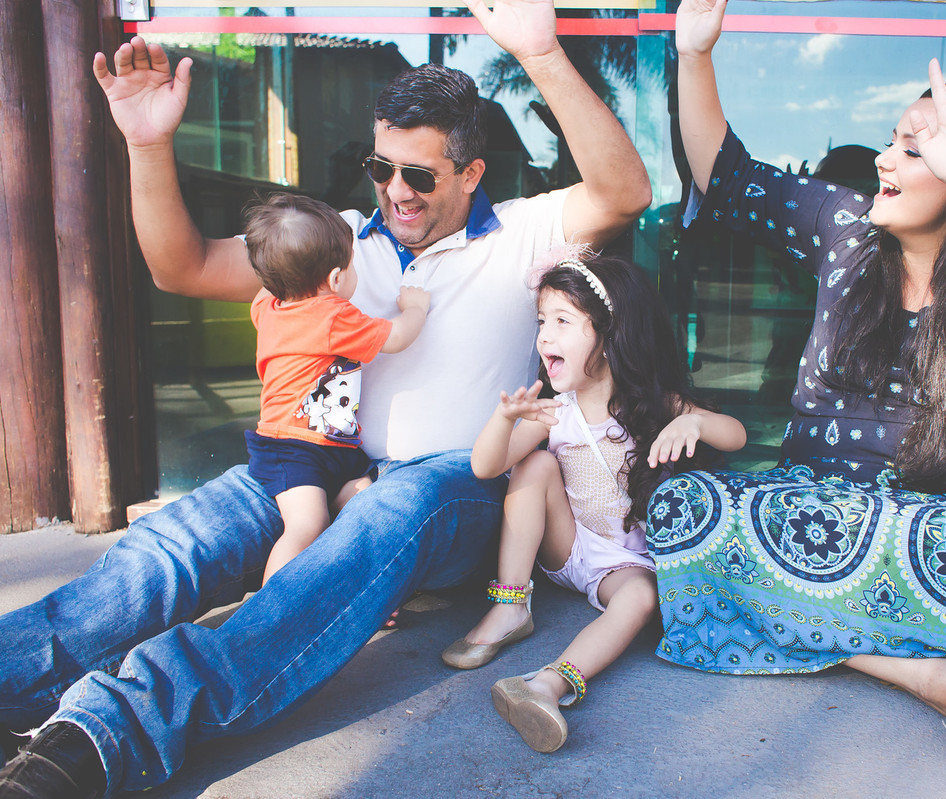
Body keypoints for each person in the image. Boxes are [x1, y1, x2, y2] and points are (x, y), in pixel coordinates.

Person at [0, 0, 651, 793]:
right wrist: (146, 144)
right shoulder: (336, 241)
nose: (396, 192)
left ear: (471, 173)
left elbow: (625, 191)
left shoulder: (522, 234)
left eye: (419, 175)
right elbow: (184, 266)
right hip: (323, 457)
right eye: (382, 169)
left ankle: (112, 729)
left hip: (457, 487)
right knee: (174, 545)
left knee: (390, 509)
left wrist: (542, 54)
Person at [646, 0, 946, 757]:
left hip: (935, 532)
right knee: (683, 509)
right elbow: (728, 179)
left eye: (914, 149)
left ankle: (802, 618)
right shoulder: (845, 228)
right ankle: (934, 672)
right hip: (809, 514)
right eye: (891, 140)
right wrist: (696, 55)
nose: (883, 159)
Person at [443, 255, 746, 752]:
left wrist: (695, 422)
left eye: (562, 321)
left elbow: (736, 435)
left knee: (642, 598)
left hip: (627, 563)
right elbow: (485, 466)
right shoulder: (554, 412)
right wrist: (504, 420)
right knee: (535, 466)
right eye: (542, 321)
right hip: (571, 547)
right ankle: (510, 607)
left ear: (609, 334)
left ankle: (546, 685)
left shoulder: (654, 403)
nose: (545, 336)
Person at [241, 193, 431, 584]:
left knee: (361, 497)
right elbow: (396, 337)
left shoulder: (267, 306)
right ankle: (272, 606)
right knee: (306, 525)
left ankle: (342, 584)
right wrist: (416, 308)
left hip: (330, 446)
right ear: (335, 279)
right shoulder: (332, 316)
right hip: (294, 449)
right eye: (351, 264)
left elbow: (269, 284)